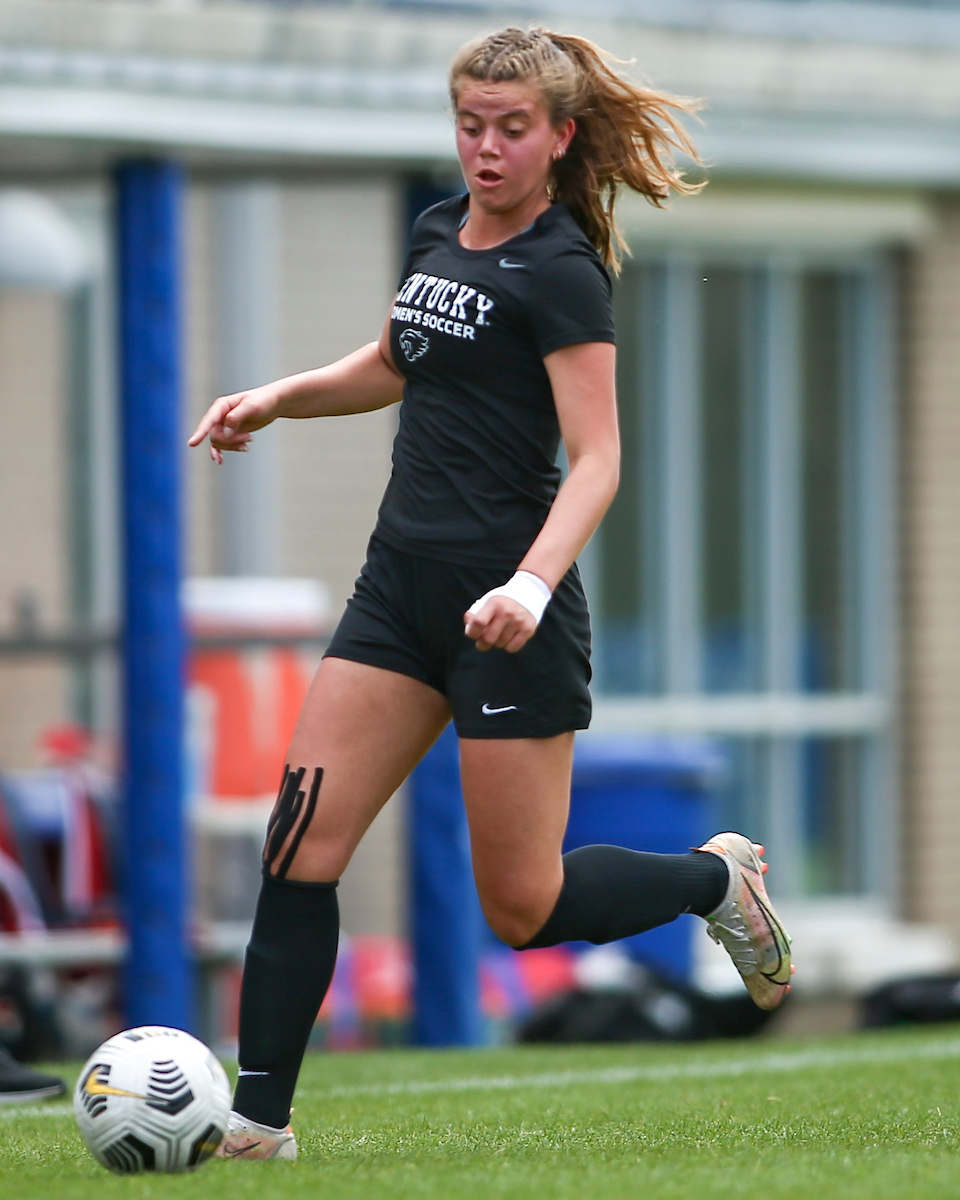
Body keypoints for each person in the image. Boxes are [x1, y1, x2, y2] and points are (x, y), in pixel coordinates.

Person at [190, 26, 793, 1161]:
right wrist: (278, 395)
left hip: (511, 612)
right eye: (471, 125)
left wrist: (528, 581)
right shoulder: (437, 231)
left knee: (524, 910)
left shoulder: (563, 271)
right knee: (299, 843)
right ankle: (256, 1126)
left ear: (560, 137)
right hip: (396, 595)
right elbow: (394, 360)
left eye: (511, 129)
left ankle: (718, 878)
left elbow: (600, 459)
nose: (486, 149)